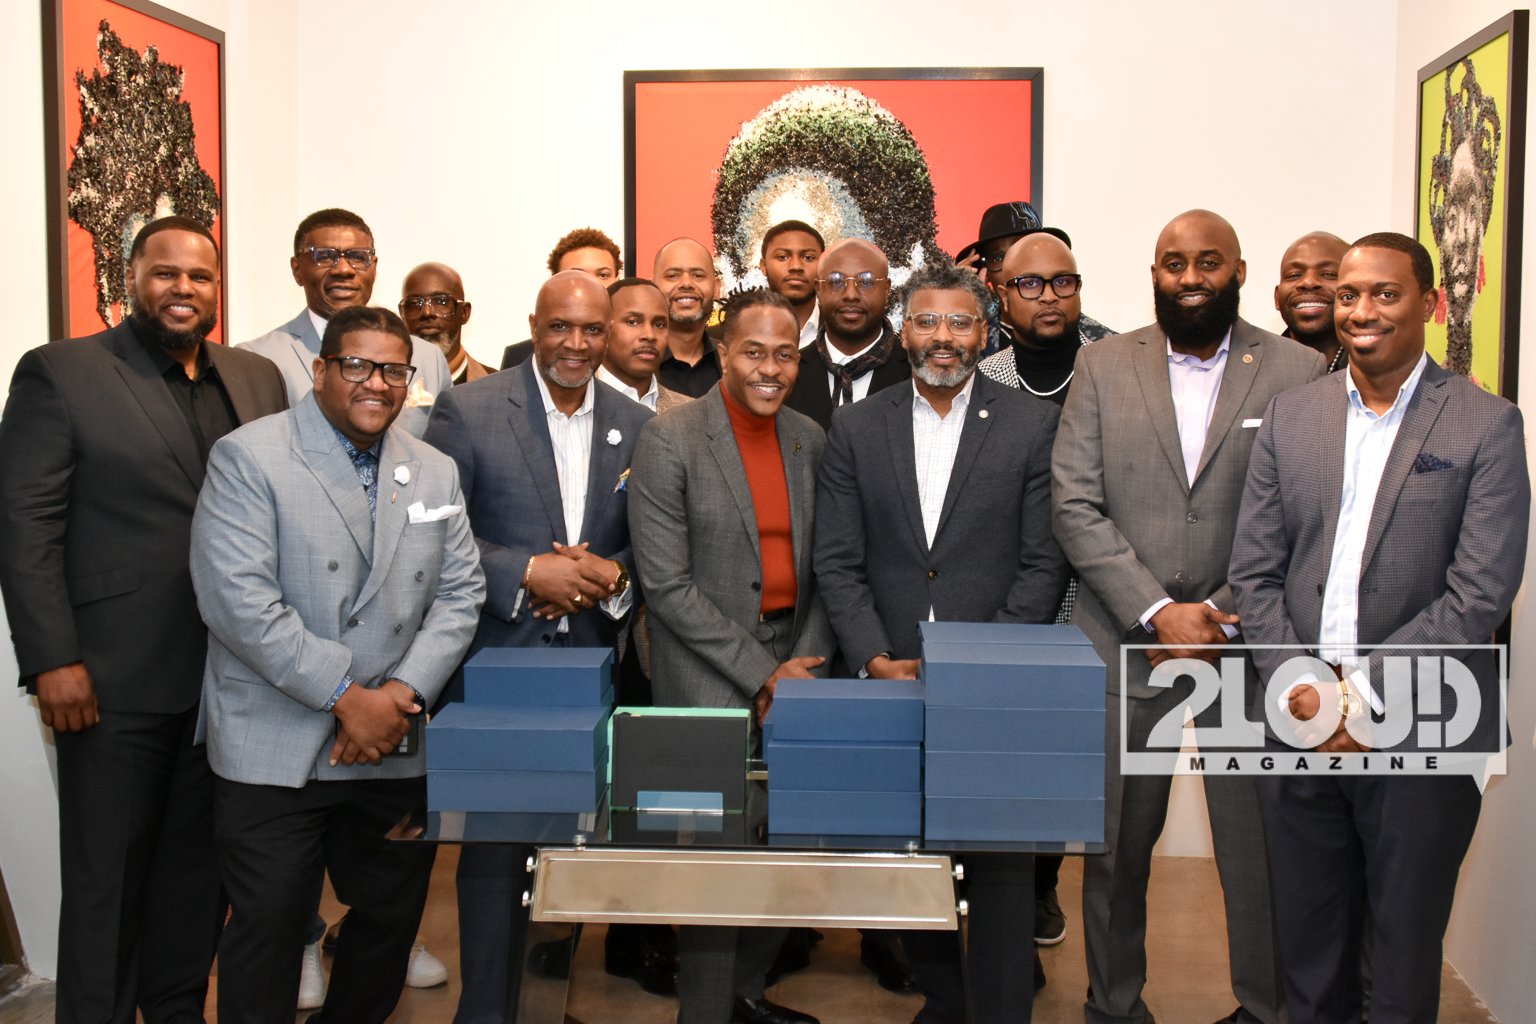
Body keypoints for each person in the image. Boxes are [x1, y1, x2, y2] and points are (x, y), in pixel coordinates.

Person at [1230, 232, 1530, 1023]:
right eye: (1349, 294)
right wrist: (1302, 684)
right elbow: (1254, 573)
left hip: (1424, 724)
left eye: (1385, 294)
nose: (1361, 310)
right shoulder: (1292, 415)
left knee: (1400, 958)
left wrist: (1356, 695)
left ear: (1429, 304)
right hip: (1297, 721)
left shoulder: (1486, 424)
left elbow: (1480, 593)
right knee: (1308, 952)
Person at [0, 216, 288, 1024]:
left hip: (233, 679)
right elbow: (25, 523)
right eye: (165, 273)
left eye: (200, 276)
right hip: (112, 678)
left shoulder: (257, 378)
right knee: (108, 882)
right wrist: (51, 658)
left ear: (218, 287)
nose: (183, 289)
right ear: (130, 279)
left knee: (198, 880)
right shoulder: (62, 373)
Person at [1052, 210, 1325, 1024]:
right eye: (1175, 263)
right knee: (1114, 852)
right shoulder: (1102, 364)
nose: (1191, 277)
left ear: (1238, 272)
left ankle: (1264, 1008)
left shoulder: (1298, 369)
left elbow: (1307, 509)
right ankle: (1113, 1004)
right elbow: (1074, 504)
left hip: (1246, 650)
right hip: (1124, 645)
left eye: (1209, 262)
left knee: (1256, 853)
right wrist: (1157, 609)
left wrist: (1223, 610)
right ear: (1155, 275)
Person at [189, 305, 484, 1024]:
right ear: (321, 371)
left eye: (394, 370)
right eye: (357, 365)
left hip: (390, 742)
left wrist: (400, 694)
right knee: (269, 927)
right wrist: (349, 698)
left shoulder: (434, 469)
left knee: (389, 917)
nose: (376, 383)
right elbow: (237, 600)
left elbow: (461, 593)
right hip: (276, 740)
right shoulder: (249, 455)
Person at [814, 261, 1067, 1024]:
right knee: (905, 856)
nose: (943, 337)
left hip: (994, 681)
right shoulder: (858, 427)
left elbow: (1044, 563)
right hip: (889, 672)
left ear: (985, 334)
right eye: (927, 321)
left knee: (1000, 864)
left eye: (960, 322)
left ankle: (999, 1008)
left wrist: (979, 664)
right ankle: (945, 1001)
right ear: (903, 333)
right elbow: (838, 560)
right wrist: (872, 657)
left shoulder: (1030, 425)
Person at [424, 270, 653, 1023]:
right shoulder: (470, 408)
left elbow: (647, 541)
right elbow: (436, 530)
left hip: (593, 667)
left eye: (592, 329)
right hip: (501, 665)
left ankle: (547, 1004)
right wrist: (526, 571)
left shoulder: (636, 421)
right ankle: (487, 1011)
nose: (576, 344)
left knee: (573, 850)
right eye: (561, 327)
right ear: (533, 326)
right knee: (495, 854)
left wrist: (613, 575)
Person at [629, 288, 832, 1024]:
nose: (770, 369)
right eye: (754, 352)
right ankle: (706, 1011)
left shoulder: (811, 439)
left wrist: (803, 665)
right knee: (711, 860)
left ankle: (746, 992)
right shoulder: (670, 438)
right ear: (723, 354)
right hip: (702, 670)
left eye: (785, 354)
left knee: (791, 843)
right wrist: (762, 673)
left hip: (798, 666)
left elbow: (830, 570)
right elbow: (666, 586)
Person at [977, 227, 1114, 949]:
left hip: (1096, 593)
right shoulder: (985, 376)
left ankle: (1043, 883)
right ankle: (1003, 884)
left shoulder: (1116, 364)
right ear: (1002, 295)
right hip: (1013, 592)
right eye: (1030, 284)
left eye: (1064, 281)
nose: (1050, 296)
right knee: (1008, 746)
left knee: (1068, 753)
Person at [242, 208, 451, 438]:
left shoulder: (428, 357)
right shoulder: (257, 359)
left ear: (374, 268)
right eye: (324, 256)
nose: (343, 269)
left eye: (358, 257)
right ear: (297, 270)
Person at [955, 201, 1115, 355]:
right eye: (998, 258)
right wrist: (956, 298)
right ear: (985, 272)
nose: (1012, 264)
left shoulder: (1105, 347)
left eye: (1024, 252)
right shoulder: (969, 339)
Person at [783, 237, 909, 429]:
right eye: (836, 281)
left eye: (866, 281)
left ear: (886, 290)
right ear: (818, 289)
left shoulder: (916, 373)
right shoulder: (788, 371)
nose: (851, 294)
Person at [501, 227, 624, 369]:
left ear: (617, 280)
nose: (591, 283)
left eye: (603, 275)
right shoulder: (518, 356)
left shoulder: (639, 354)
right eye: (577, 274)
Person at [598, 277, 690, 414]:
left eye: (659, 325)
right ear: (603, 329)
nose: (650, 335)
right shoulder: (574, 403)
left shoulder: (691, 412)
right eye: (633, 322)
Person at [654, 237, 725, 397]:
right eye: (672, 275)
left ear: (716, 288)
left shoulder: (734, 362)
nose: (686, 283)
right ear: (653, 287)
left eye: (698, 275)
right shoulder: (631, 362)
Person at [401, 261, 492, 383]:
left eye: (441, 301)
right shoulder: (383, 384)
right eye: (414, 303)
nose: (427, 312)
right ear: (402, 314)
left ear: (464, 313)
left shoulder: (498, 385)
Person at [1273, 231, 1350, 373]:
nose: (1308, 282)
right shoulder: (1255, 367)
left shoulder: (1376, 370)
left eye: (1329, 274)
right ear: (1277, 298)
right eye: (1294, 275)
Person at [758, 219, 824, 345]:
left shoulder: (844, 331)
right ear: (764, 266)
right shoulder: (729, 333)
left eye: (808, 258)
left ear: (823, 266)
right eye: (782, 257)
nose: (796, 266)